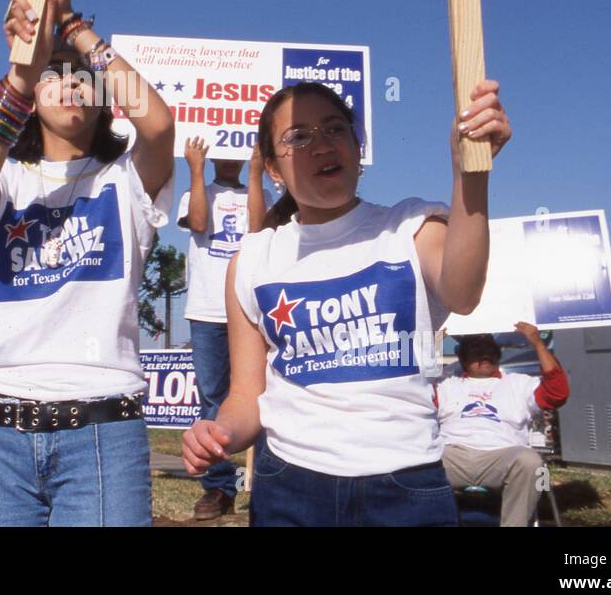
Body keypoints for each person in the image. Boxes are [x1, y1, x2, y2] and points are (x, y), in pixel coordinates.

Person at [182, 79, 512, 526]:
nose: (321, 144)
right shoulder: (252, 260)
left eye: (335, 129)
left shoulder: (413, 225)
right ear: (274, 170)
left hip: (407, 486)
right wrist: (220, 432)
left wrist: (470, 174)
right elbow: (245, 396)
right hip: (288, 488)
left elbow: (463, 293)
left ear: (358, 146)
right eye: (298, 136)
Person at [0, 0, 174, 527]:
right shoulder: (12, 180)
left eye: (84, 79)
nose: (71, 83)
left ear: (105, 101)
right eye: (55, 76)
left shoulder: (124, 180)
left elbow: (156, 126)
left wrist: (72, 25)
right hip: (0, 429)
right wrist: (22, 74)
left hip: (102, 430)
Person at [178, 137, 265, 520]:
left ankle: (267, 484)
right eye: (223, 150)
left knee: (261, 397)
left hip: (250, 309)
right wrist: (195, 169)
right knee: (212, 398)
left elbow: (261, 230)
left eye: (238, 151)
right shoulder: (196, 192)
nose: (231, 158)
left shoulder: (254, 192)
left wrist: (258, 171)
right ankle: (218, 488)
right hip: (207, 310)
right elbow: (198, 222)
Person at [436, 322, 569, 526]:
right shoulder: (447, 385)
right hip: (453, 455)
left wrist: (538, 344)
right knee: (417, 458)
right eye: (476, 351)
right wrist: (431, 346)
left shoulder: (519, 383)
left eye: (490, 350)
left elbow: (557, 394)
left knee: (530, 461)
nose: (485, 355)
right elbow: (414, 391)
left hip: (503, 456)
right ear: (462, 358)